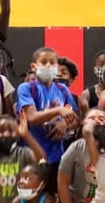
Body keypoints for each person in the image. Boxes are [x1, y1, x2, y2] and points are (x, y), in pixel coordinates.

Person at [16, 46, 79, 176]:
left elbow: (75, 119)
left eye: (52, 62)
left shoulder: (62, 89)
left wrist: (65, 124)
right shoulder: (26, 88)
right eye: (44, 62)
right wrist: (59, 110)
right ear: (34, 67)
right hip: (31, 154)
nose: (48, 65)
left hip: (57, 155)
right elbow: (32, 118)